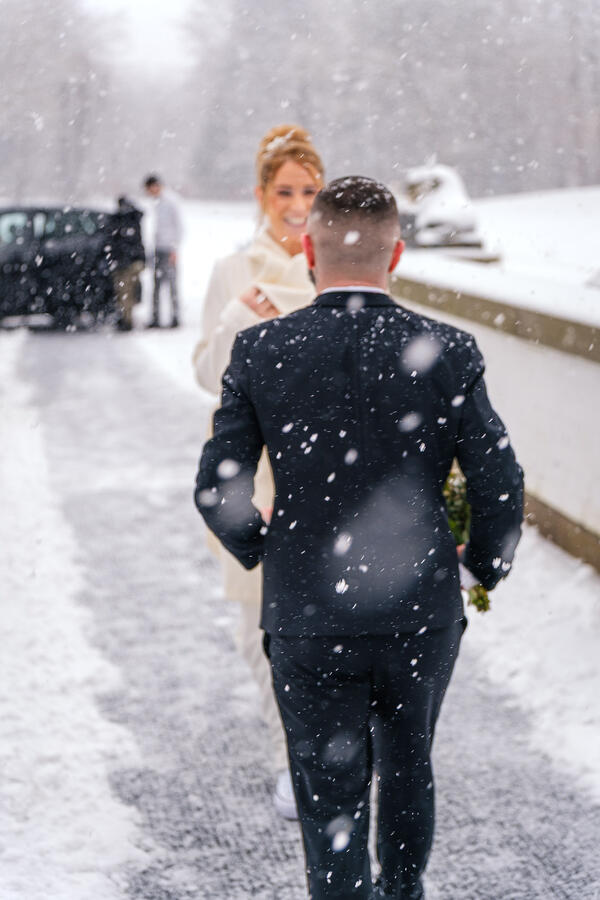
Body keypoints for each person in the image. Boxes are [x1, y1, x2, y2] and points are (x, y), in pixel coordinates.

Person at [194, 176, 524, 899]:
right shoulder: (448, 350)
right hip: (419, 612)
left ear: (309, 250)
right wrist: (482, 567)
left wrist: (263, 547)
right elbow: (500, 483)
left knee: (328, 797)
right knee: (409, 769)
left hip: (310, 613)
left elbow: (218, 489)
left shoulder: (261, 351)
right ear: (395, 254)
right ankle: (402, 890)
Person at [192, 124, 324, 819]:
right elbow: (208, 375)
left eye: (309, 190)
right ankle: (292, 763)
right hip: (257, 473)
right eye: (285, 191)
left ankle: (328, 756)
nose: (297, 204)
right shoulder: (232, 274)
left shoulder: (331, 267)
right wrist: (243, 319)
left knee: (326, 635)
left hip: (329, 472)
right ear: (261, 195)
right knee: (262, 634)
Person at [143, 174, 182, 328]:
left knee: (172, 285)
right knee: (157, 285)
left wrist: (174, 249)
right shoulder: (156, 203)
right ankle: (156, 317)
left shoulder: (171, 202)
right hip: (158, 248)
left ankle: (175, 317)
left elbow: (179, 227)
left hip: (168, 249)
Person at [108, 196, 145, 331]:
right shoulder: (133, 219)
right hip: (130, 262)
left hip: (127, 263)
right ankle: (125, 319)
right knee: (126, 292)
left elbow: (125, 242)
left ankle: (126, 321)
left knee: (125, 292)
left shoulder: (126, 220)